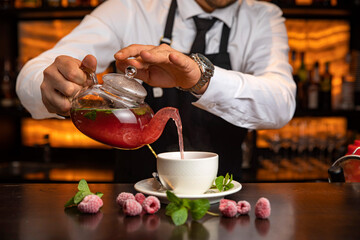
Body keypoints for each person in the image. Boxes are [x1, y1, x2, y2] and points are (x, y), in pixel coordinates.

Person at [16, 0, 296, 182]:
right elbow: (34, 72)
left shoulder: (262, 16)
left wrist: (200, 78)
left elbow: (281, 105)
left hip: (223, 200)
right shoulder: (130, 7)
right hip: (131, 201)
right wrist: (54, 82)